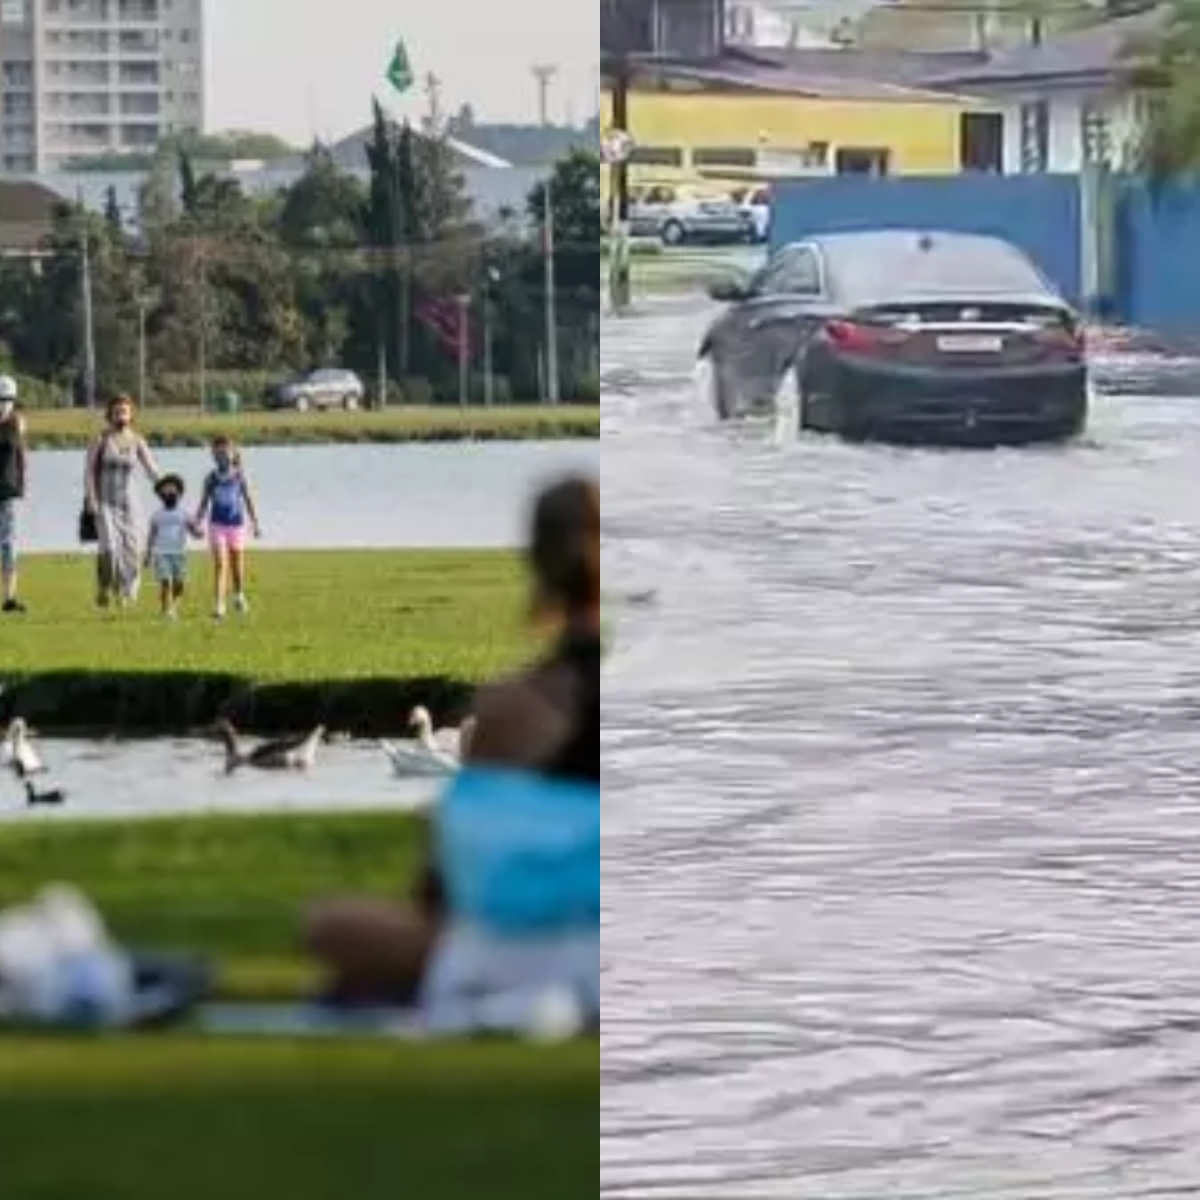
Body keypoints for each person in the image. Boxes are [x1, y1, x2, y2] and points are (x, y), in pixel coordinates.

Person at [304, 474, 600, 1012]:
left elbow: (439, 895)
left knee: (329, 925)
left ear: (536, 561)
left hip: (516, 953)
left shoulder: (513, 707)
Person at [84, 395, 162, 608]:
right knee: (109, 548)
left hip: (130, 504)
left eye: (125, 412)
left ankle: (126, 592)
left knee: (133, 552)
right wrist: (91, 498)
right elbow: (89, 472)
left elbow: (152, 470)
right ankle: (104, 586)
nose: (121, 416)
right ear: (110, 414)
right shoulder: (100, 439)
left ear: (131, 414)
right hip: (105, 502)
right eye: (117, 412)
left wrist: (166, 487)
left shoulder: (138, 440)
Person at [192, 435, 260, 621]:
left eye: (225, 453)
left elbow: (248, 500)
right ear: (213, 456)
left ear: (233, 454)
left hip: (236, 525)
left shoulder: (240, 475)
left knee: (237, 565)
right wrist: (196, 522)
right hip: (217, 526)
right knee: (221, 565)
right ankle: (219, 606)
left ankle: (238, 595)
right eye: (217, 453)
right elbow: (204, 502)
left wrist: (255, 523)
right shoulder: (211, 478)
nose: (221, 456)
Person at [144, 474, 193, 621]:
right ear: (160, 495)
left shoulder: (184, 514)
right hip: (161, 554)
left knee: (180, 584)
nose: (169, 494)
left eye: (173, 491)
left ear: (179, 494)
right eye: (166, 492)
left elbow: (193, 529)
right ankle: (166, 611)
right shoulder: (156, 515)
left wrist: (198, 531)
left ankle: (174, 605)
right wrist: (147, 555)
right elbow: (151, 536)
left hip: (180, 553)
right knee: (166, 582)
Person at [0, 375, 27, 614]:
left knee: (9, 545)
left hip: (7, 493)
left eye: (7, 399)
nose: (2, 404)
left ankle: (9, 598)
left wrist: (22, 484)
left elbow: (21, 456)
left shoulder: (17, 423)